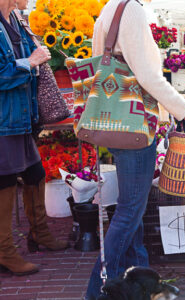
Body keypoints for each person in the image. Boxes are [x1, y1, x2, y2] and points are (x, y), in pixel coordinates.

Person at [84, 0, 185, 298]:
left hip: (120, 122)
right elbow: (147, 74)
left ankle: (139, 281)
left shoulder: (112, 7)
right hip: (134, 128)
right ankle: (97, 291)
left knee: (132, 208)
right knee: (130, 210)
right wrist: (182, 108)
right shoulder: (129, 9)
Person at [0, 0, 69, 276]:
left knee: (35, 172)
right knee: (4, 179)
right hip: (3, 120)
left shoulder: (16, 19)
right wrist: (29, 62)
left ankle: (39, 233)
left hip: (21, 116)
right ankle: (5, 251)